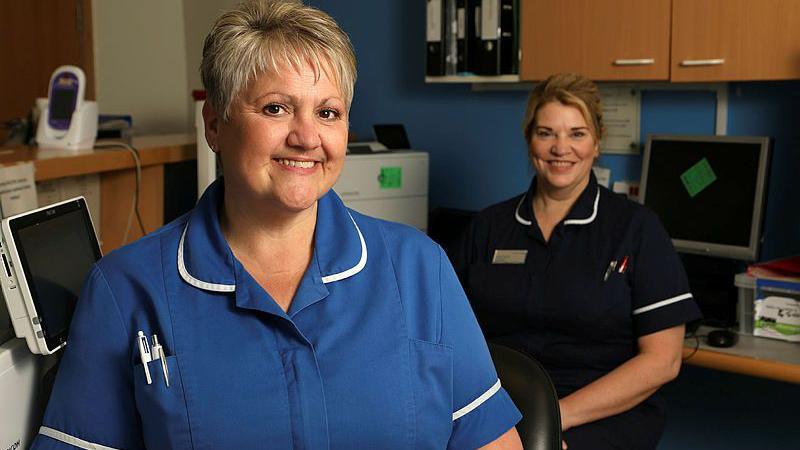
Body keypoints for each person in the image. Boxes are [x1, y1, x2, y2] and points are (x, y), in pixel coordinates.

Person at [31, 1, 522, 448]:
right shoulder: (126, 290)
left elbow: (491, 441)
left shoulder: (420, 269)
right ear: (215, 124)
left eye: (328, 112)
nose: (307, 137)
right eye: (275, 108)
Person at [453, 73, 702, 450]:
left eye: (577, 134)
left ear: (597, 142)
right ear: (529, 139)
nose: (560, 148)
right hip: (501, 407)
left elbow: (663, 361)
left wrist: (553, 416)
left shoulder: (635, 228)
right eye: (546, 133)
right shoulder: (488, 226)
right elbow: (449, 336)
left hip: (600, 411)